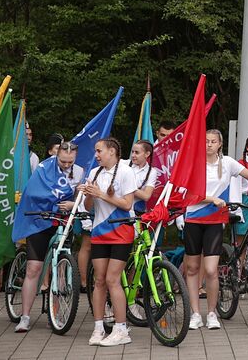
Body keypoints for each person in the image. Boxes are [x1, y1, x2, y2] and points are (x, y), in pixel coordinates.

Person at [13, 140, 85, 333]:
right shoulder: (44, 167)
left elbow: (81, 197)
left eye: (70, 162)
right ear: (57, 156)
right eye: (63, 161)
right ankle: (25, 316)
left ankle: (56, 314)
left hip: (63, 221)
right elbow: (33, 193)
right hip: (39, 220)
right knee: (33, 268)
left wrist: (74, 205)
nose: (67, 165)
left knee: (61, 268)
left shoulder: (79, 172)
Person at [183, 128, 248, 331]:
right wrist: (212, 199)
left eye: (213, 141)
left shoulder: (227, 163)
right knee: (193, 269)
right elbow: (189, 192)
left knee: (211, 270)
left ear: (220, 144)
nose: (209, 144)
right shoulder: (194, 162)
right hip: (194, 218)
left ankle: (212, 313)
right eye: (206, 141)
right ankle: (195, 313)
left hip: (214, 221)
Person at [78, 137, 141, 346]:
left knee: (113, 279)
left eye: (99, 151)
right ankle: (98, 327)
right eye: (96, 151)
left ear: (112, 151)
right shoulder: (95, 173)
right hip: (99, 231)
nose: (96, 155)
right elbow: (88, 207)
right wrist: (88, 194)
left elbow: (127, 204)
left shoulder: (125, 171)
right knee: (99, 280)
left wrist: (101, 194)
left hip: (121, 229)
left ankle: (121, 329)